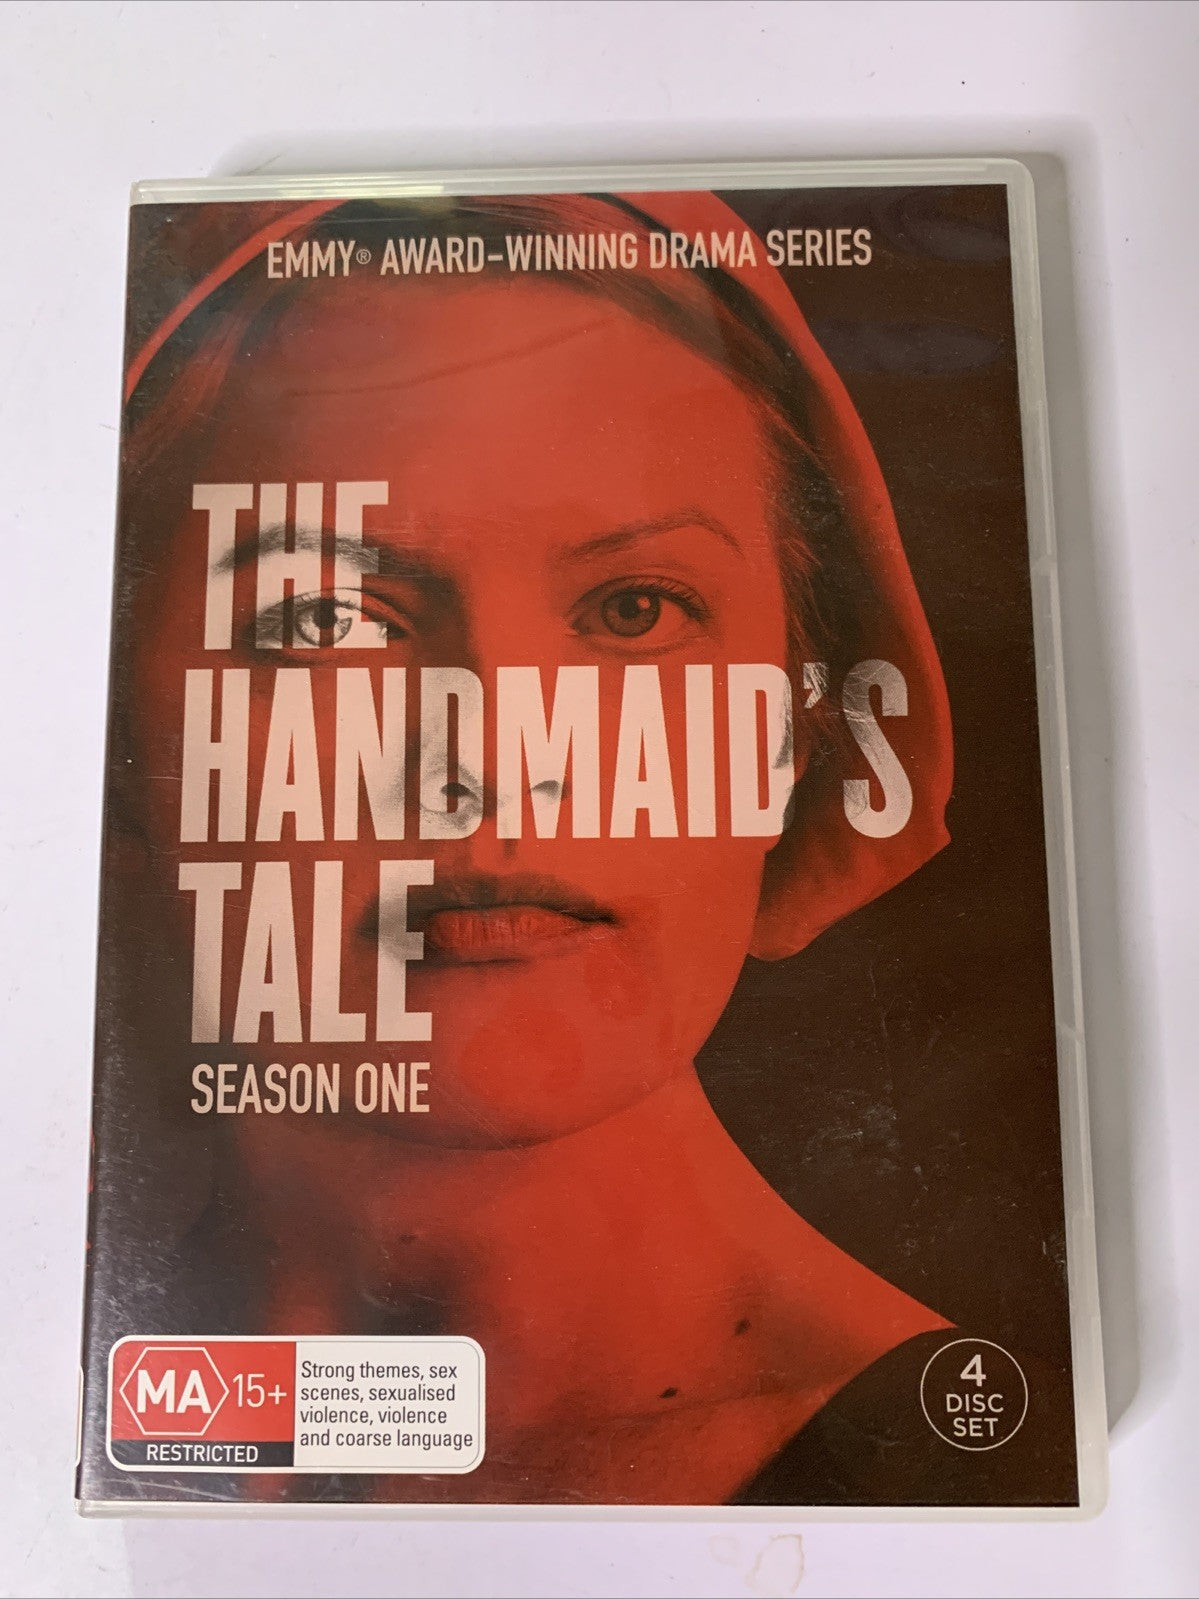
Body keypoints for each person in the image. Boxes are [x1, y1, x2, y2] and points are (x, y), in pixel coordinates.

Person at [111, 190, 962, 1505]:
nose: (497, 761)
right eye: (326, 621)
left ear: (804, 724)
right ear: (114, 714)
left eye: (636, 610)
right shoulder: (69, 1413)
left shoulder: (955, 1485)